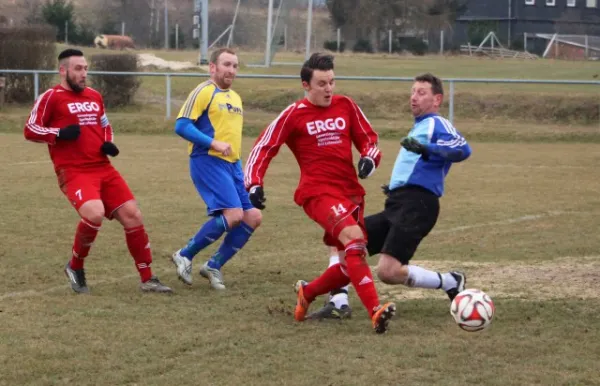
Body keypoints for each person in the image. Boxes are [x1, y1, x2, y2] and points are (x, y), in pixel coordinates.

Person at [244, 53, 396, 334]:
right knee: (354, 241)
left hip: (350, 192)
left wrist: (369, 159)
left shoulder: (346, 105)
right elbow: (263, 147)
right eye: (322, 83)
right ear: (306, 85)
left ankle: (308, 292)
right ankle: (375, 311)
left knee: (351, 261)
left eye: (332, 82)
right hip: (317, 193)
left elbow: (369, 140)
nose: (329, 89)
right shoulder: (294, 114)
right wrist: (254, 183)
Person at [308, 73, 471, 319]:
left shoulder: (438, 123)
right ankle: (339, 302)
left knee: (388, 271)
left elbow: (462, 148)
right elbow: (416, 166)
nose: (414, 97)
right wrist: (396, 187)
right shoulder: (419, 126)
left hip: (418, 205)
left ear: (437, 99)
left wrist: (428, 148)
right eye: (413, 91)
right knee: (342, 240)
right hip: (399, 203)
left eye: (421, 92)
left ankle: (450, 281)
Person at [23, 48, 172, 294]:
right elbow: (30, 129)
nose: (84, 74)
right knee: (94, 213)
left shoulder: (94, 96)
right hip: (73, 171)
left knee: (133, 215)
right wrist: (58, 133)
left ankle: (147, 278)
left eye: (85, 69)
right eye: (78, 69)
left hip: (103, 167)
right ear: (63, 71)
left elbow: (105, 124)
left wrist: (107, 142)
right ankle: (75, 266)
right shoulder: (51, 97)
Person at [171, 48, 262, 290]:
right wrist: (213, 143)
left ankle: (213, 265)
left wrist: (241, 172)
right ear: (213, 67)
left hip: (232, 166)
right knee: (233, 215)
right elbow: (181, 126)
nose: (231, 70)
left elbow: (233, 140)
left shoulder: (235, 98)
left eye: (235, 65)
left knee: (252, 217)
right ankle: (185, 254)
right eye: (226, 64)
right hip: (206, 160)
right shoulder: (204, 91)